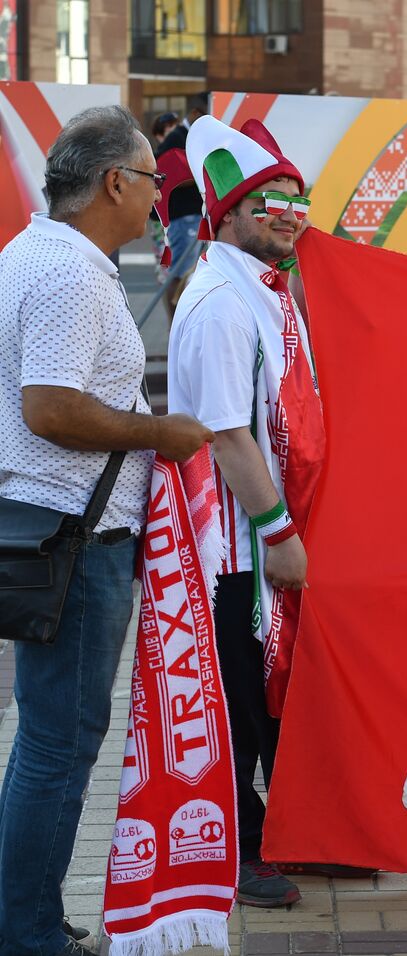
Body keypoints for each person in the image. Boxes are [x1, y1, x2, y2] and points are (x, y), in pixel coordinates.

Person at [0, 105, 213, 955]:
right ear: (115, 182)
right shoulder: (72, 275)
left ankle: (24, 919)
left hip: (53, 529)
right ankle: (30, 935)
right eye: (153, 180)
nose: (161, 197)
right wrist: (163, 433)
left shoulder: (35, 253)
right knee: (60, 745)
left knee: (44, 741)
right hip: (75, 540)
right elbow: (50, 408)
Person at [166, 115, 326, 908]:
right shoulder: (223, 302)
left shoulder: (267, 287)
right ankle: (238, 849)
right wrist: (280, 534)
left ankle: (283, 833)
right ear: (227, 213)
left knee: (268, 701)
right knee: (234, 705)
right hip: (232, 549)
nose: (290, 215)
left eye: (299, 200)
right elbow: (228, 436)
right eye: (272, 202)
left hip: (262, 542)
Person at [155, 93, 210, 315]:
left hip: (193, 216)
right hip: (182, 217)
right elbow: (162, 175)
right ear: (195, 113)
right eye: (206, 116)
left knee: (190, 273)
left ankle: (179, 323)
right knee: (179, 273)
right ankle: (174, 325)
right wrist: (199, 175)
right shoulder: (177, 138)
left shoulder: (191, 137)